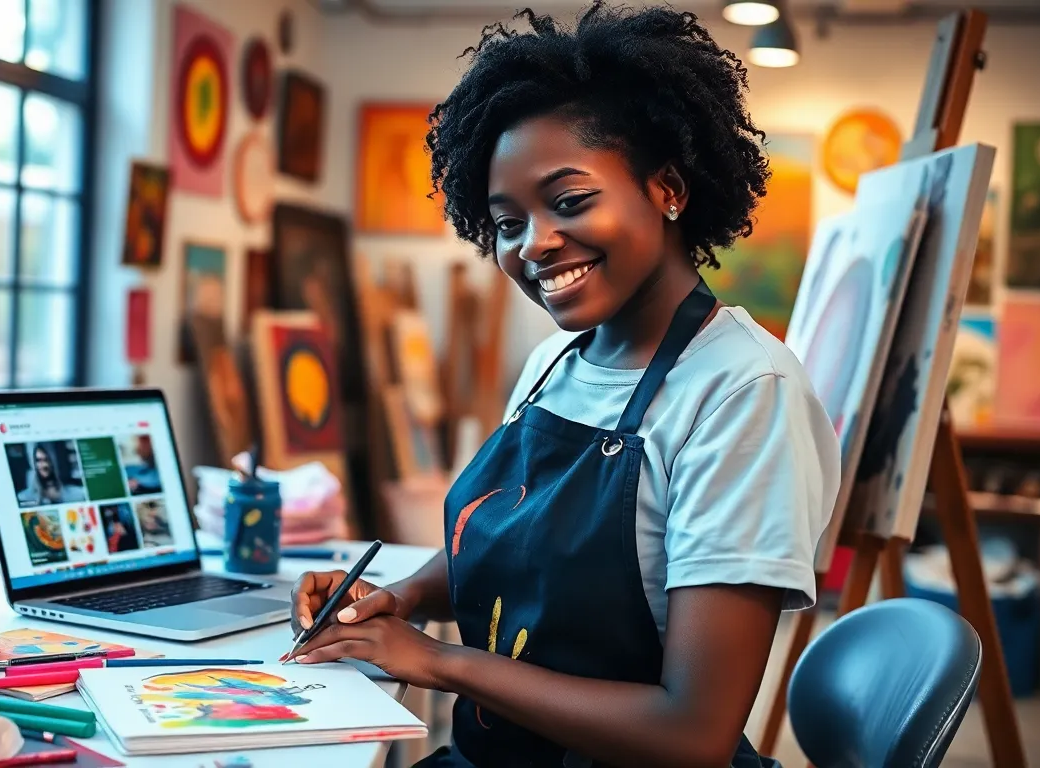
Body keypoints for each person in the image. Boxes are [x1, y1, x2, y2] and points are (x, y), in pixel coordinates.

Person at [286, 6, 840, 767]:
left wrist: (439, 661)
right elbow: (519, 545)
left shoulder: (743, 393)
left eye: (570, 202)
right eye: (507, 223)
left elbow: (693, 734)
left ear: (669, 188)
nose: (534, 244)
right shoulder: (556, 361)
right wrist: (400, 596)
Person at [17, 443, 85, 506]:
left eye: (47, 459)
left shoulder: (78, 494)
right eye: (39, 460)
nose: (45, 465)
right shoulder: (24, 498)